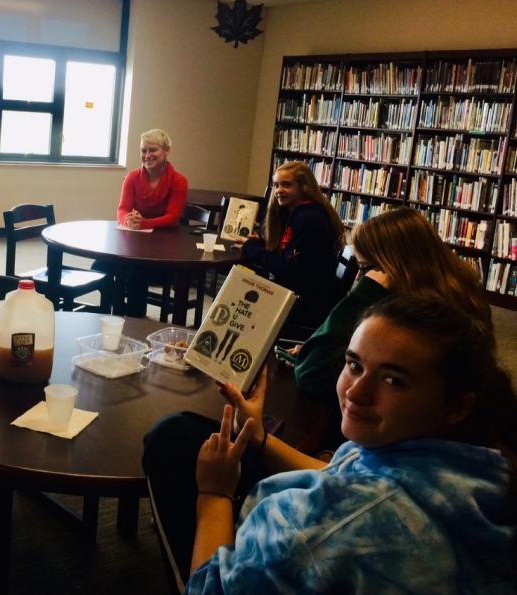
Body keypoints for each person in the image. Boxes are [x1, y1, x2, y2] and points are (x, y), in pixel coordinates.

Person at [147, 297, 516, 594]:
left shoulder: (323, 530)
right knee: (182, 433)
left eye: (392, 380)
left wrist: (214, 494)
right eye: (354, 365)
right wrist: (258, 437)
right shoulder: (477, 463)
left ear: (456, 405)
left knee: (169, 443)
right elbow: (340, 473)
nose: (356, 392)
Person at [281, 206, 493, 449]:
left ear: (390, 268)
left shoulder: (415, 321)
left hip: (378, 442)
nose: (359, 280)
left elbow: (311, 374)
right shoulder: (456, 294)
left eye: (363, 269)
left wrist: (364, 294)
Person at [235, 161, 345, 327]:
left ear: (304, 187)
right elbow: (293, 256)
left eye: (286, 185)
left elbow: (288, 269)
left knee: (239, 301)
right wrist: (262, 244)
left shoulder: (309, 220)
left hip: (307, 305)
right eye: (276, 185)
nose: (279, 191)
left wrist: (252, 249)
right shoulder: (301, 213)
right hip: (305, 293)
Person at [113, 128, 188, 317]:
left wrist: (144, 223)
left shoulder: (179, 181)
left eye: (152, 150)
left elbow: (172, 216)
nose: (147, 155)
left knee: (135, 273)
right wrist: (129, 221)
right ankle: (114, 316)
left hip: (163, 250)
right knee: (103, 265)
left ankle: (133, 323)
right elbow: (122, 209)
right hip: (134, 244)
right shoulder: (132, 177)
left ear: (166, 151)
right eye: (143, 151)